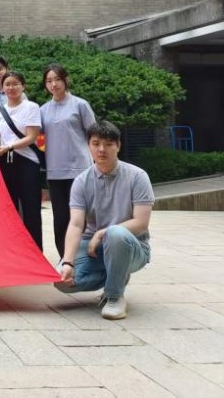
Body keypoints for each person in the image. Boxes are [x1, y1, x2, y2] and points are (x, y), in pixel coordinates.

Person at [55, 121, 154, 320]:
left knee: (115, 234)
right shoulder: (81, 181)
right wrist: (67, 262)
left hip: (132, 245)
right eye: (96, 143)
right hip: (93, 248)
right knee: (62, 281)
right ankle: (117, 275)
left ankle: (114, 296)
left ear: (118, 146)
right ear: (88, 146)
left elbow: (141, 223)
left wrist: (102, 233)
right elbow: (76, 224)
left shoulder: (138, 176)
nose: (101, 149)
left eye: (108, 144)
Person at [40, 63, 97, 258]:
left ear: (66, 80)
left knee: (81, 216)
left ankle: (83, 258)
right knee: (60, 218)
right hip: (55, 171)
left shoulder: (80, 105)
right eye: (49, 81)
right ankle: (65, 259)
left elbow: (94, 135)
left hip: (80, 169)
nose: (53, 84)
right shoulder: (43, 110)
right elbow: (35, 137)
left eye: (57, 79)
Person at [0, 71, 43, 250]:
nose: (11, 88)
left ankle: (35, 251)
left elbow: (31, 137)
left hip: (27, 162)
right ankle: (14, 251)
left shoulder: (31, 107)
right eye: (7, 84)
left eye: (15, 84)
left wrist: (9, 147)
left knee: (31, 208)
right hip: (6, 162)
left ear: (23, 86)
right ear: (3, 88)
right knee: (10, 209)